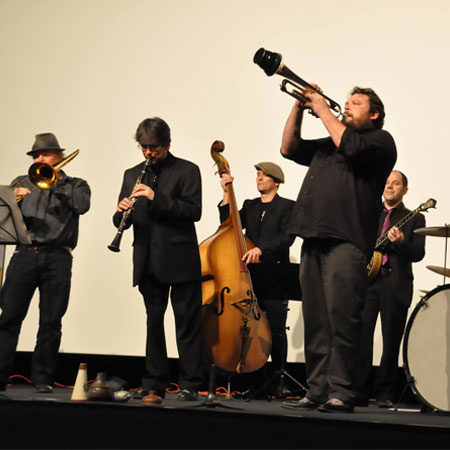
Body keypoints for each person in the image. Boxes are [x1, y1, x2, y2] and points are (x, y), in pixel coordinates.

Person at [279, 86, 397, 413]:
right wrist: (299, 107)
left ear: (374, 114)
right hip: (313, 236)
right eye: (346, 103)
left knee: (342, 319)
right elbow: (288, 148)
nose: (347, 106)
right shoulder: (331, 144)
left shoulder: (379, 141)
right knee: (317, 321)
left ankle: (342, 391)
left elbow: (350, 144)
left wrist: (323, 109)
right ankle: (316, 390)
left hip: (347, 241)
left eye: (355, 103)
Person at [112, 117, 203, 403]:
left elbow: (193, 211)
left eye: (154, 148)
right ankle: (154, 382)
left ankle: (190, 382)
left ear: (167, 144)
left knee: (186, 322)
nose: (148, 153)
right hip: (147, 259)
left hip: (179, 258)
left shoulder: (187, 170)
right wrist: (120, 212)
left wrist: (155, 196)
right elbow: (123, 221)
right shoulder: (131, 173)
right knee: (153, 322)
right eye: (144, 148)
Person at [0, 132, 91, 393]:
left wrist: (55, 183)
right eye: (36, 155)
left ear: (59, 157)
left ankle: (42, 379)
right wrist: (11, 200)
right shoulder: (21, 182)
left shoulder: (76, 184)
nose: (40, 158)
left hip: (58, 258)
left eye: (45, 154)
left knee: (51, 321)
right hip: (25, 255)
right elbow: (4, 221)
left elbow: (82, 205)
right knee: (9, 318)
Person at [219, 162, 295, 397]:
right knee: (250, 332)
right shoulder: (249, 206)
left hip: (274, 277)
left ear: (277, 182)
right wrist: (225, 192)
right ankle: (255, 382)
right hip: (249, 280)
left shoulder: (287, 207)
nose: (259, 178)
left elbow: (287, 238)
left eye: (265, 175)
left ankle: (278, 379)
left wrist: (262, 249)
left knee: (275, 331)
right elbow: (228, 224)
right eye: (258, 174)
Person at [355, 170, 425, 408]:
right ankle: (359, 390)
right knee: (361, 338)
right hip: (368, 282)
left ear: (405, 190)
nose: (390, 186)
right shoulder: (370, 212)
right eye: (387, 182)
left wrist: (401, 243)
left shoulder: (414, 217)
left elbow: (418, 253)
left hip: (394, 283)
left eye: (396, 183)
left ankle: (385, 392)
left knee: (391, 340)